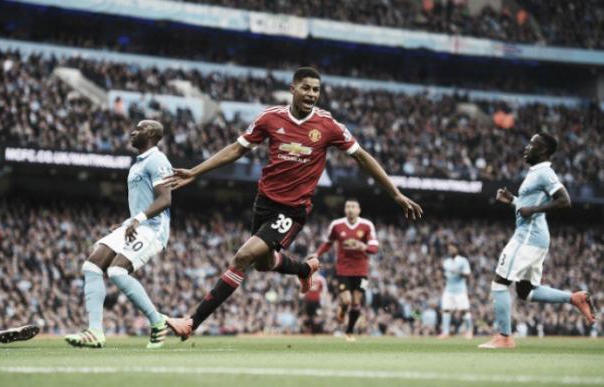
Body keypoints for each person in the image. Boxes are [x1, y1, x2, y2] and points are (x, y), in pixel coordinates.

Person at [163, 67, 423, 339]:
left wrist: (396, 193)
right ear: (293, 88)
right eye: (306, 88)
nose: (311, 94)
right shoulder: (270, 117)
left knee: (242, 257)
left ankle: (192, 322)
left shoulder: (328, 125)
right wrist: (195, 171)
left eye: (316, 90)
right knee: (263, 264)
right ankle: (304, 268)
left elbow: (362, 157)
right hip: (263, 203)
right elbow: (237, 148)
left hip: (293, 209)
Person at [479, 132, 596, 349]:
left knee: (499, 282)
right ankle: (574, 298)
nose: (527, 147)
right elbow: (527, 207)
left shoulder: (545, 173)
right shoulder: (535, 173)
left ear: (543, 150)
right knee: (525, 291)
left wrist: (534, 208)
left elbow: (565, 200)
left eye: (532, 144)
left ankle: (504, 337)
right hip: (535, 237)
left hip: (528, 237)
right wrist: (513, 200)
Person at [64, 120, 173, 349]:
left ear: (151, 133)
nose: (133, 132)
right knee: (92, 265)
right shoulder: (137, 164)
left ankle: (157, 321)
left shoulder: (157, 160)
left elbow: (165, 199)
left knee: (116, 270)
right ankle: (95, 331)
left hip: (153, 229)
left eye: (139, 128)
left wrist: (137, 220)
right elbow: (141, 203)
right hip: (134, 225)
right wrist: (126, 223)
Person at [309, 198, 378, 341]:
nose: (351, 209)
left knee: (356, 302)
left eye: (354, 207)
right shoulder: (336, 225)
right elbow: (328, 243)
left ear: (359, 210)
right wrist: (317, 254)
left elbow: (374, 248)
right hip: (343, 269)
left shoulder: (367, 225)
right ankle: (342, 311)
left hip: (361, 271)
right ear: (345, 210)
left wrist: (362, 246)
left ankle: (349, 331)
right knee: (346, 300)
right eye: (348, 207)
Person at [437, 242, 472, 339]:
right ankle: (445, 332)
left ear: (457, 249)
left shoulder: (463, 261)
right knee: (446, 310)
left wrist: (458, 272)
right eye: (449, 249)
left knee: (464, 310)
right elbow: (445, 275)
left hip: (460, 289)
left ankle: (469, 331)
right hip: (448, 289)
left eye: (452, 248)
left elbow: (467, 274)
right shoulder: (446, 262)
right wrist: (441, 275)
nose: (450, 250)